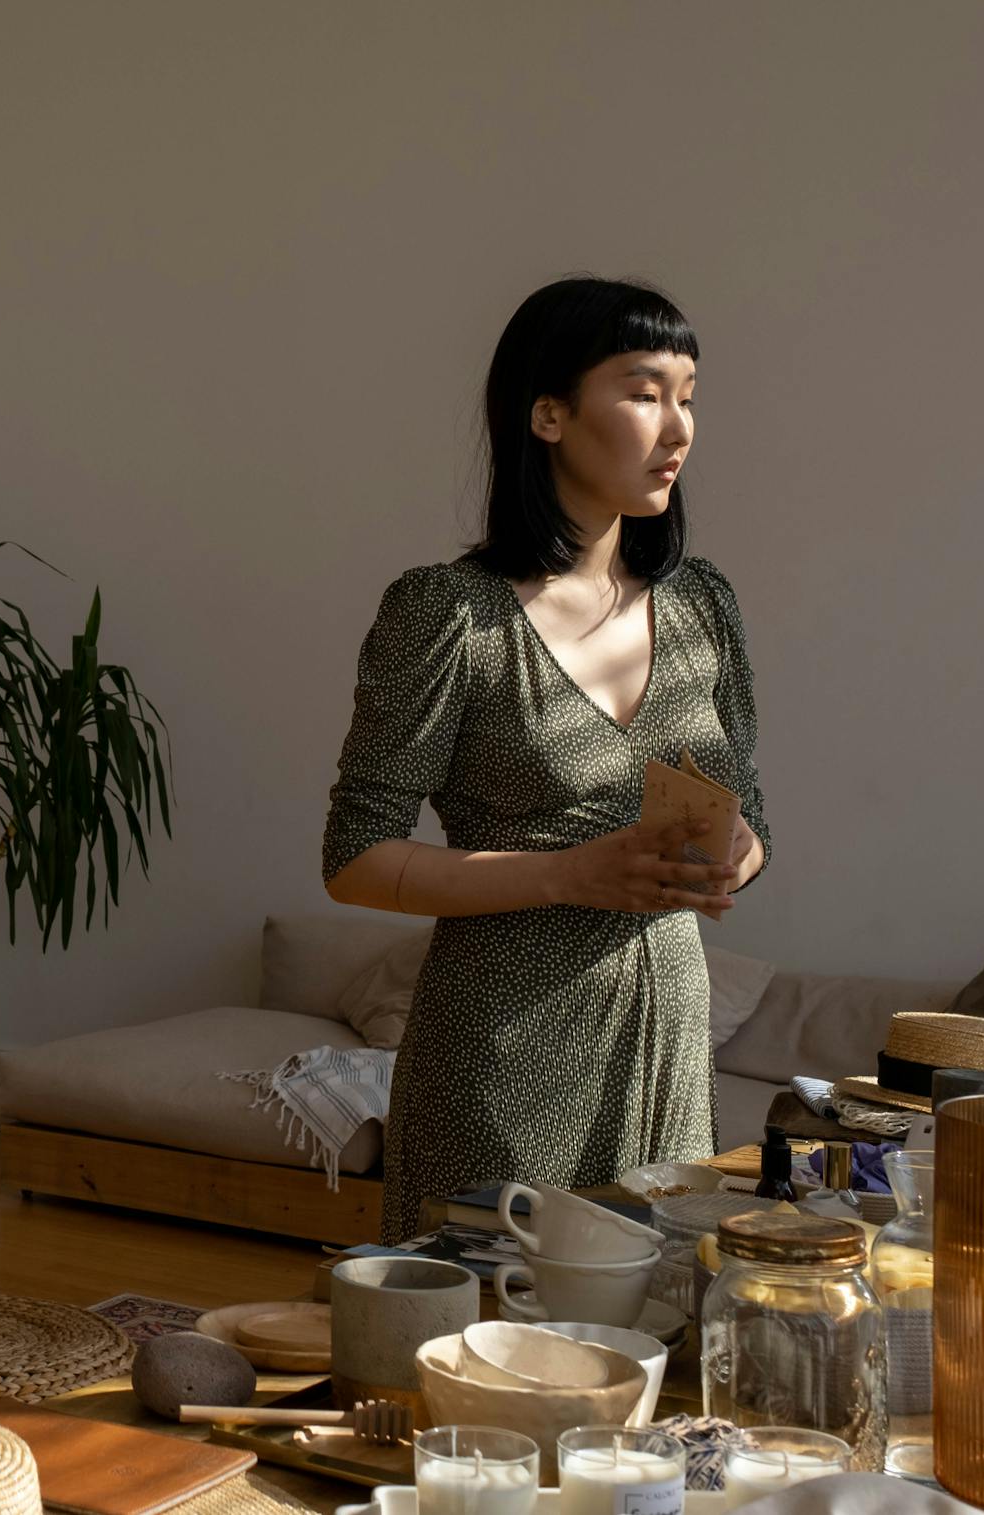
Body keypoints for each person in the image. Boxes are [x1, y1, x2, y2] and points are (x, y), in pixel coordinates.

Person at [322, 275, 774, 1242]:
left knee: (653, 1328)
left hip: (665, 1038)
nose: (679, 426)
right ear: (549, 413)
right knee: (487, 1343)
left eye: (689, 395)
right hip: (502, 1049)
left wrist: (737, 853)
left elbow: (759, 818)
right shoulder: (447, 615)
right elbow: (355, 857)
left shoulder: (704, 607)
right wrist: (570, 873)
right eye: (645, 391)